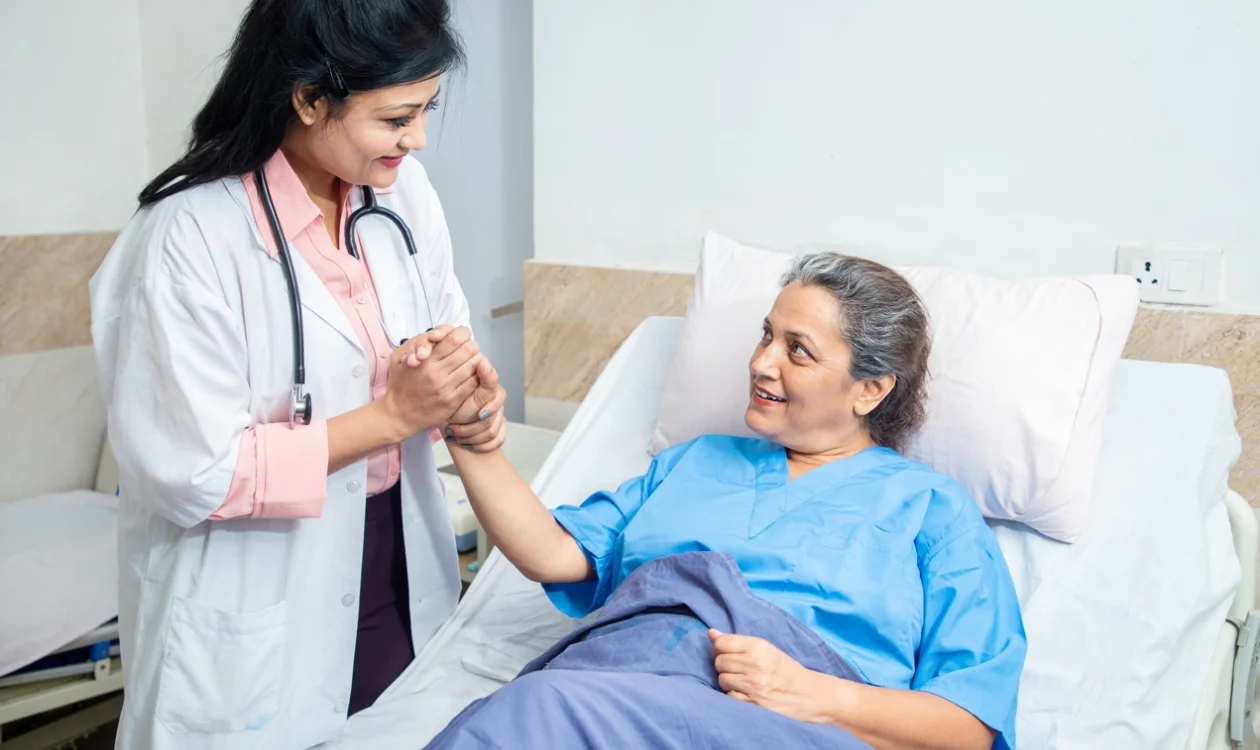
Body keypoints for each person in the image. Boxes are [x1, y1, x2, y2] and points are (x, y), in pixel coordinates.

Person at [89, 1, 506, 748]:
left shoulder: (405, 198)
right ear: (310, 97)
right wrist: (392, 417)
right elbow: (192, 471)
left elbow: (448, 333)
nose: (416, 139)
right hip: (259, 582)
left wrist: (467, 398)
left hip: (399, 557)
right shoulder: (188, 234)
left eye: (425, 111)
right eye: (395, 118)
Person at [426, 253, 1027, 750]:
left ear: (869, 389)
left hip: (785, 726)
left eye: (798, 350)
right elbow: (555, 553)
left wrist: (811, 692)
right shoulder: (695, 462)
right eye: (768, 334)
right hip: (621, 685)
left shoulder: (931, 510)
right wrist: (471, 436)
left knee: (531, 713)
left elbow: (967, 725)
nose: (761, 362)